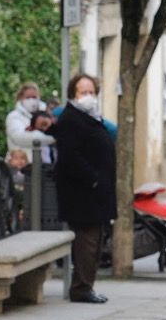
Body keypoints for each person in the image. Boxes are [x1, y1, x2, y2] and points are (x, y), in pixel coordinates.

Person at [49, 72, 116, 304]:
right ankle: (81, 288)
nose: (88, 96)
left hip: (96, 192)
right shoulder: (71, 119)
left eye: (91, 92)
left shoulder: (90, 117)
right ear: (73, 95)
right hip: (83, 192)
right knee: (87, 243)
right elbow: (70, 155)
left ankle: (86, 285)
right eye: (83, 92)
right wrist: (93, 178)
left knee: (95, 241)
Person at [6, 82, 56, 159]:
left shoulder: (47, 115)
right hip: (23, 165)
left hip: (45, 165)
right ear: (20, 98)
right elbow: (21, 138)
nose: (31, 100)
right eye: (28, 97)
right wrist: (54, 136)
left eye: (34, 97)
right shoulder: (14, 117)